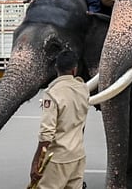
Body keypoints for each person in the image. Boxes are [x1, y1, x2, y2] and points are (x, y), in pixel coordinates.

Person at [29, 50, 89, 189]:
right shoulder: (83, 89)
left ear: (56, 68)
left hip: (57, 158)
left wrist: (36, 162)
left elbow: (47, 134)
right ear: (74, 69)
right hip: (77, 155)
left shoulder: (52, 93)